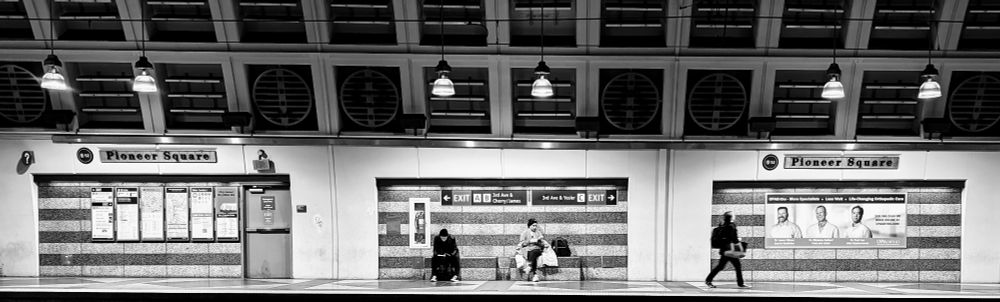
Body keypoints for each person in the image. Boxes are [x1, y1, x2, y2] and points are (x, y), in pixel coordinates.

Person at [705, 211, 749, 289]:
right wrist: (738, 240)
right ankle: (740, 283)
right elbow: (734, 239)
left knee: (721, 266)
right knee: (737, 266)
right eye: (733, 215)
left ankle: (708, 280)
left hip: (724, 250)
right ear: (731, 217)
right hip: (731, 250)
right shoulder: (732, 226)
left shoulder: (723, 225)